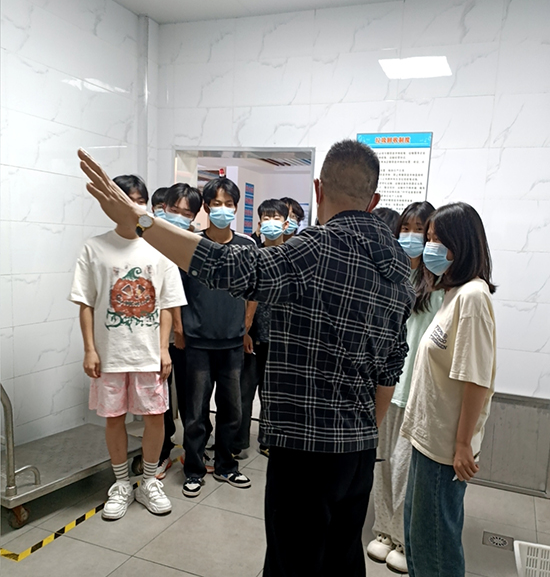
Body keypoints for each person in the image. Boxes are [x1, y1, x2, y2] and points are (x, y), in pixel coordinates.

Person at [78, 140, 415, 577]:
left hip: (305, 448)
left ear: (318, 189)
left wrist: (142, 222)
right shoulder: (399, 268)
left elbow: (230, 269)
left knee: (292, 563)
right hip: (360, 449)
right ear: (374, 199)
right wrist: (362, 435)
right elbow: (391, 367)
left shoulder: (316, 248)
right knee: (342, 559)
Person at [69, 174, 186, 520]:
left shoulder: (160, 248)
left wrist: (163, 349)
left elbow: (167, 304)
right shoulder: (94, 247)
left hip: (148, 353)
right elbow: (85, 303)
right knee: (114, 418)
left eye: (138, 200)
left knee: (154, 417)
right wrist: (90, 349)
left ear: (146, 205)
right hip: (110, 354)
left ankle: (149, 480)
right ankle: (121, 483)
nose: (132, 206)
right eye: (124, 199)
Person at [400, 202, 497, 577]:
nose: (429, 247)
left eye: (438, 239)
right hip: (428, 440)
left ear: (462, 244)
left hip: (444, 450)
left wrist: (462, 444)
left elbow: (476, 378)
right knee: (418, 541)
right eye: (429, 238)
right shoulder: (453, 293)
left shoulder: (474, 297)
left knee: (436, 549)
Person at [367, 201, 444, 574]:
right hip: (386, 386)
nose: (412, 237)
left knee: (404, 469)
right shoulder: (392, 274)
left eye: (420, 230)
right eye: (406, 228)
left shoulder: (439, 284)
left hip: (416, 389)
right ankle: (382, 530)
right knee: (381, 463)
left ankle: (401, 537)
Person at [179, 176, 254, 498]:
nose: (223, 209)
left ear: (236, 208)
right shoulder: (190, 244)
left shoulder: (247, 246)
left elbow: (253, 290)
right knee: (195, 412)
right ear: (207, 207)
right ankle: (194, 470)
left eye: (229, 204)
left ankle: (226, 465)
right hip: (197, 341)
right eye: (216, 203)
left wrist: (246, 325)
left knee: (232, 409)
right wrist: (179, 329)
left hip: (232, 343)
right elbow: (177, 291)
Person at [233, 199, 289, 458]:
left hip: (281, 338)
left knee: (273, 394)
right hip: (253, 337)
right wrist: (245, 331)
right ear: (259, 223)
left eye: (276, 218)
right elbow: (243, 295)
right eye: (266, 218)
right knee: (244, 392)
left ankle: (268, 439)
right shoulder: (252, 255)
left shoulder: (293, 258)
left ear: (286, 224)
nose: (270, 223)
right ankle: (239, 442)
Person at [156, 182, 204, 479]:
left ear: (195, 216)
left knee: (190, 397)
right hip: (157, 335)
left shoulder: (197, 246)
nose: (178, 216)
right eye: (174, 209)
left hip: (190, 335)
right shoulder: (150, 241)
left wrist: (183, 328)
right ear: (163, 208)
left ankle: (193, 451)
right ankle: (161, 451)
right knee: (158, 398)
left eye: (186, 213)